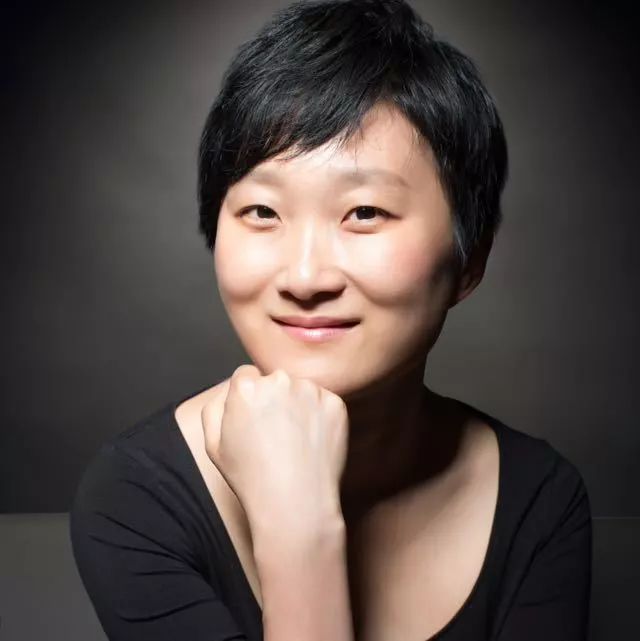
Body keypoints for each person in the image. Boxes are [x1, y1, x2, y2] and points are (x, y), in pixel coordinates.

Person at [69, 1, 592, 640]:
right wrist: (297, 527)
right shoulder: (137, 498)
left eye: (365, 212)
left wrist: (302, 520)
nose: (304, 277)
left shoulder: (539, 501)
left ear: (469, 261)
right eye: (263, 212)